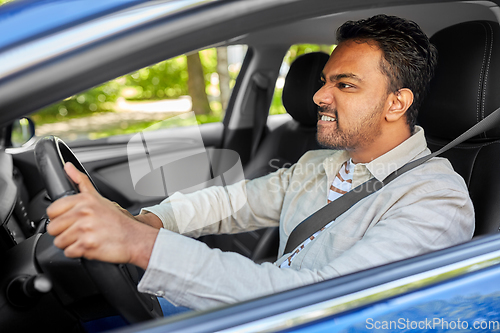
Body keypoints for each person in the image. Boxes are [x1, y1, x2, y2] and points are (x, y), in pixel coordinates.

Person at [46, 15, 474, 312]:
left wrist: (139, 247)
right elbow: (232, 203)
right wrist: (147, 222)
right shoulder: (317, 165)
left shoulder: (435, 200)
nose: (320, 97)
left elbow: (323, 303)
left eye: (344, 84)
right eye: (325, 81)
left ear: (396, 103)